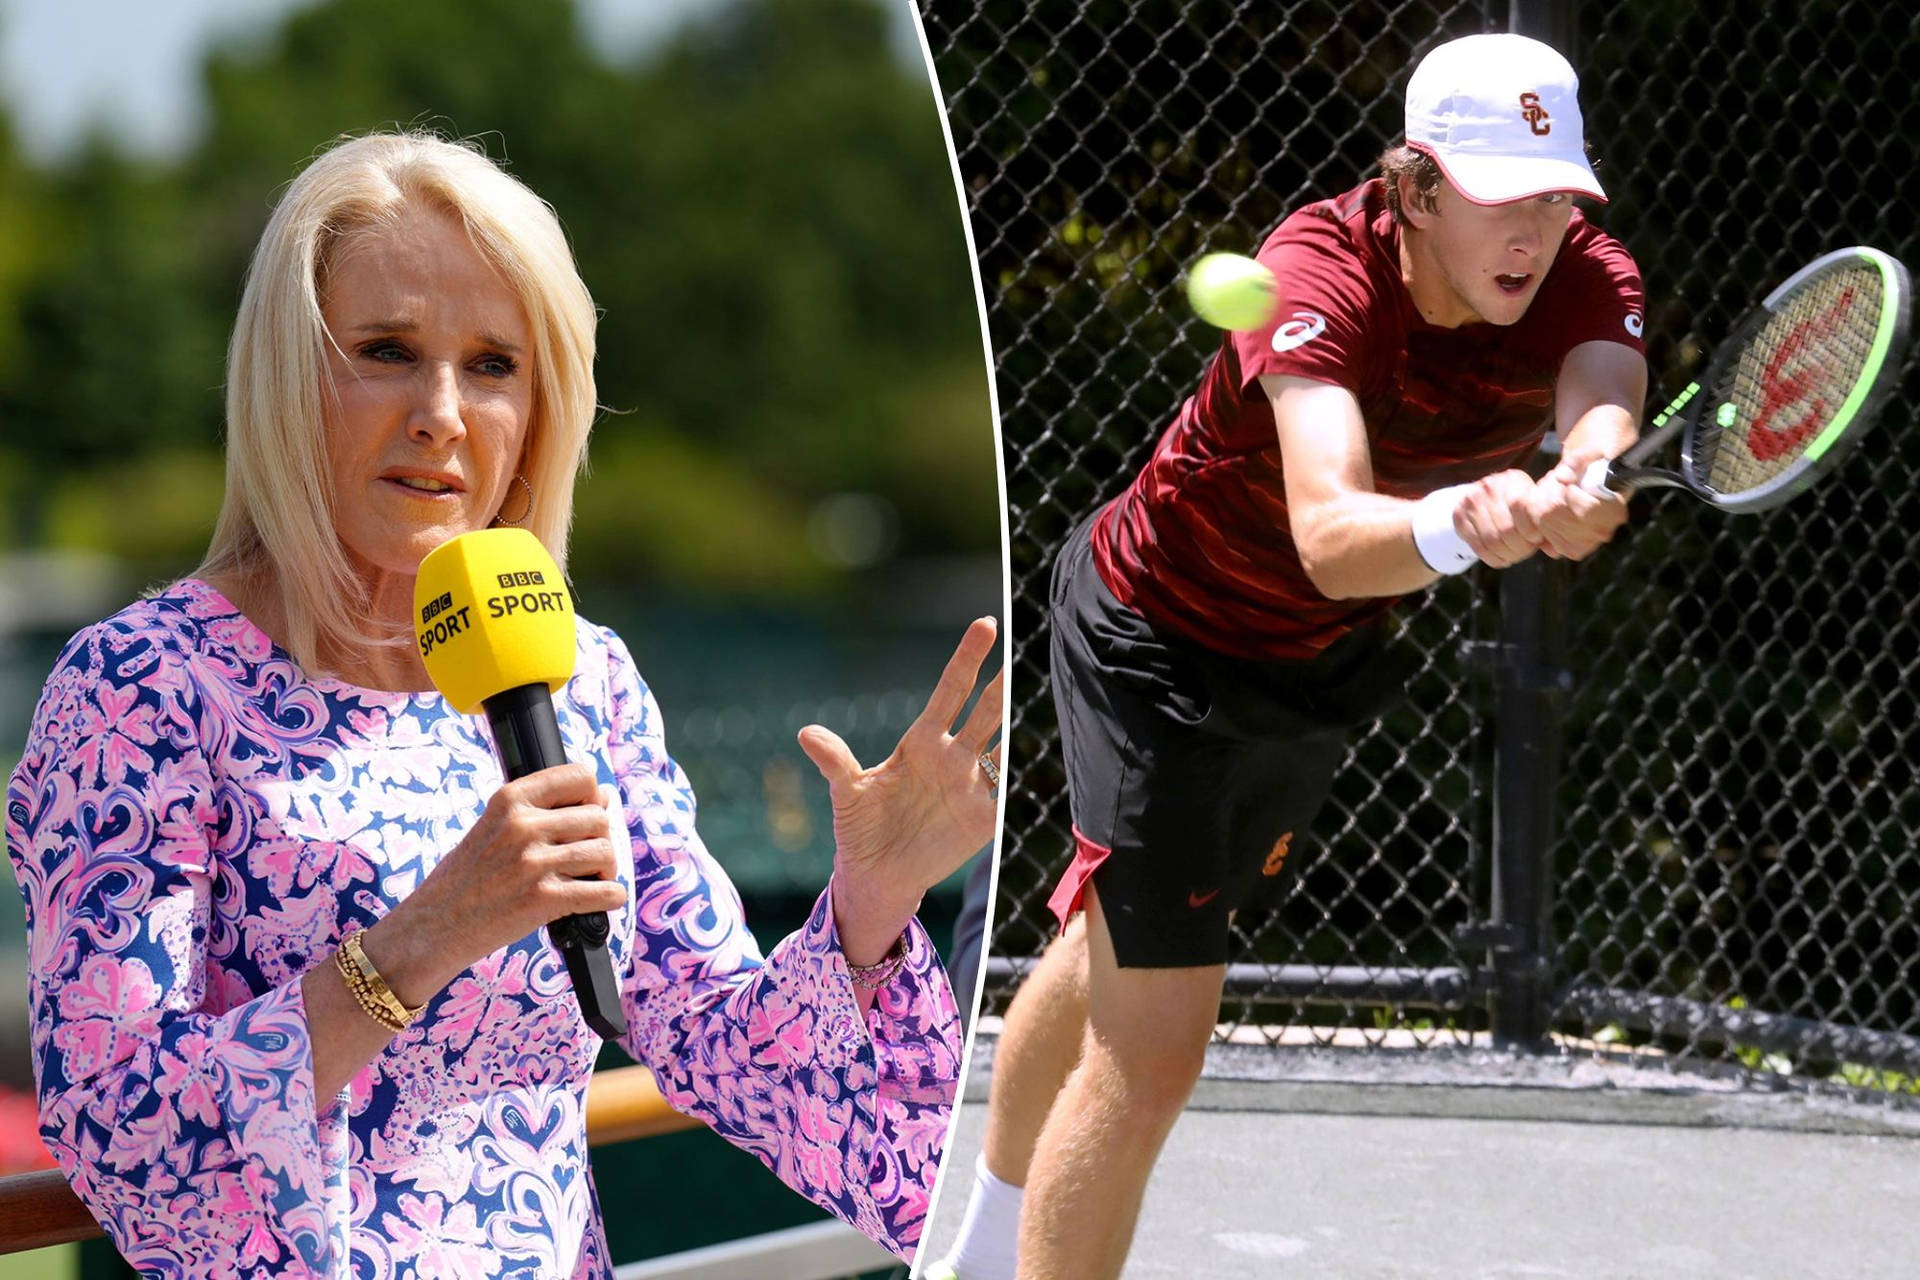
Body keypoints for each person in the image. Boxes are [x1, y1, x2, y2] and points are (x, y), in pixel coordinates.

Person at [5, 131, 1003, 1279]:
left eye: (492, 365)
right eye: (385, 350)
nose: (442, 412)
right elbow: (116, 1128)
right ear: (285, 376)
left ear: (541, 406)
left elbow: (723, 1044)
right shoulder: (140, 689)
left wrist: (871, 907)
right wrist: (424, 938)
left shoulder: (583, 673)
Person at [931, 33, 1645, 1280]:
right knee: (1156, 1046)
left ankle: (976, 1258)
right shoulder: (1317, 268)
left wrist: (1585, 467)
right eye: (1494, 198)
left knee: (1116, 939)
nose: (1529, 231)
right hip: (1154, 633)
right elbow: (1330, 532)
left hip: (1310, 666)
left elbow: (1603, 384)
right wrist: (1465, 520)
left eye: (1550, 195)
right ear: (1417, 189)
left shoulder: (1582, 270)